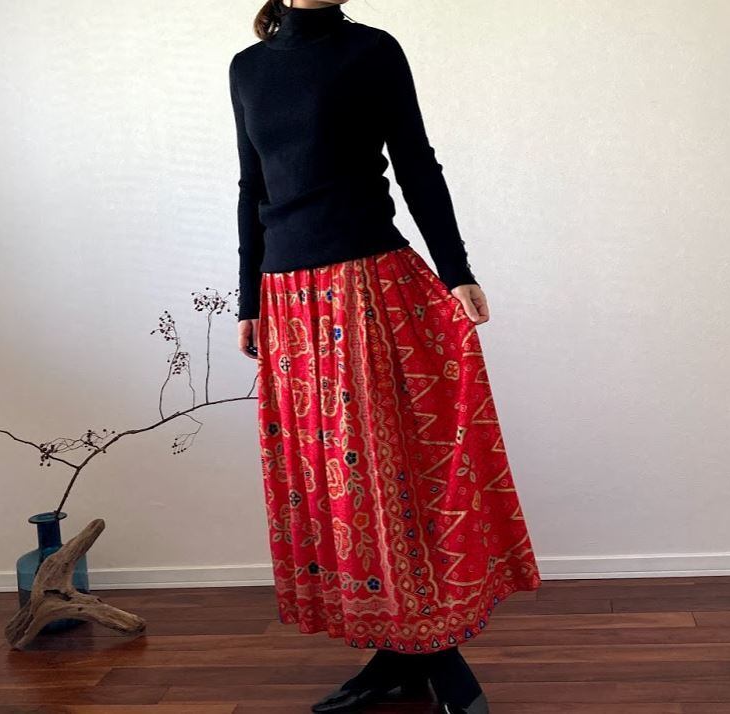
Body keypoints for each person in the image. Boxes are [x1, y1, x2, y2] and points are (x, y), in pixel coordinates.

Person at [228, 1, 543, 712]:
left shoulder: (372, 50)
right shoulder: (246, 68)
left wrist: (456, 269)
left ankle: (432, 656)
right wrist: (249, 300)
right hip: (287, 300)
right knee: (337, 487)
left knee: (387, 476)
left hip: (365, 286)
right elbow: (253, 187)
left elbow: (415, 163)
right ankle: (404, 656)